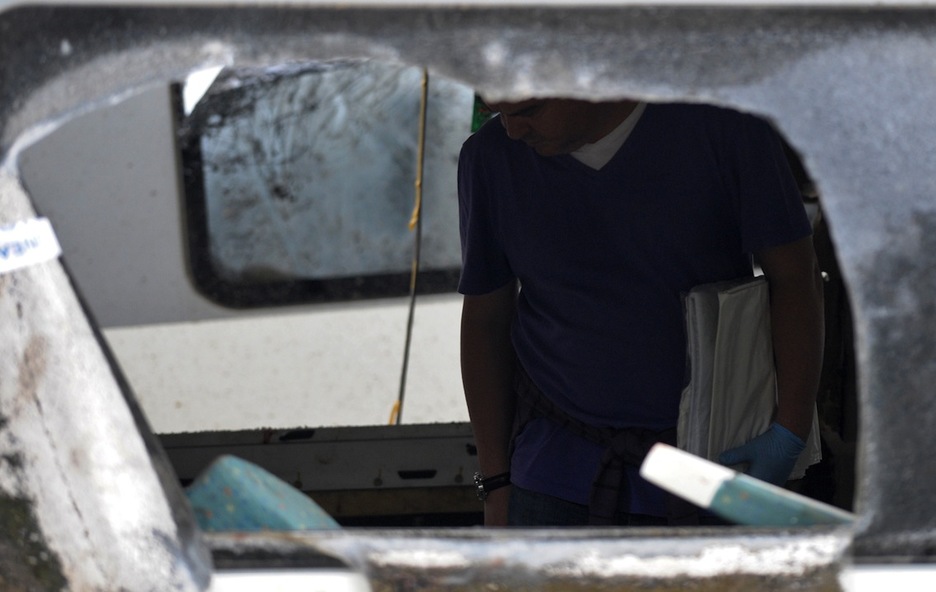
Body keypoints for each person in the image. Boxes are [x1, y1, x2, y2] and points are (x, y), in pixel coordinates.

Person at [457, 98, 824, 527]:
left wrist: (789, 433)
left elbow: (796, 277)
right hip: (554, 471)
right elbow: (485, 320)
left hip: (714, 462)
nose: (512, 129)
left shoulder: (724, 129)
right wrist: (497, 482)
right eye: (497, 111)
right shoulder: (490, 158)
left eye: (528, 110)